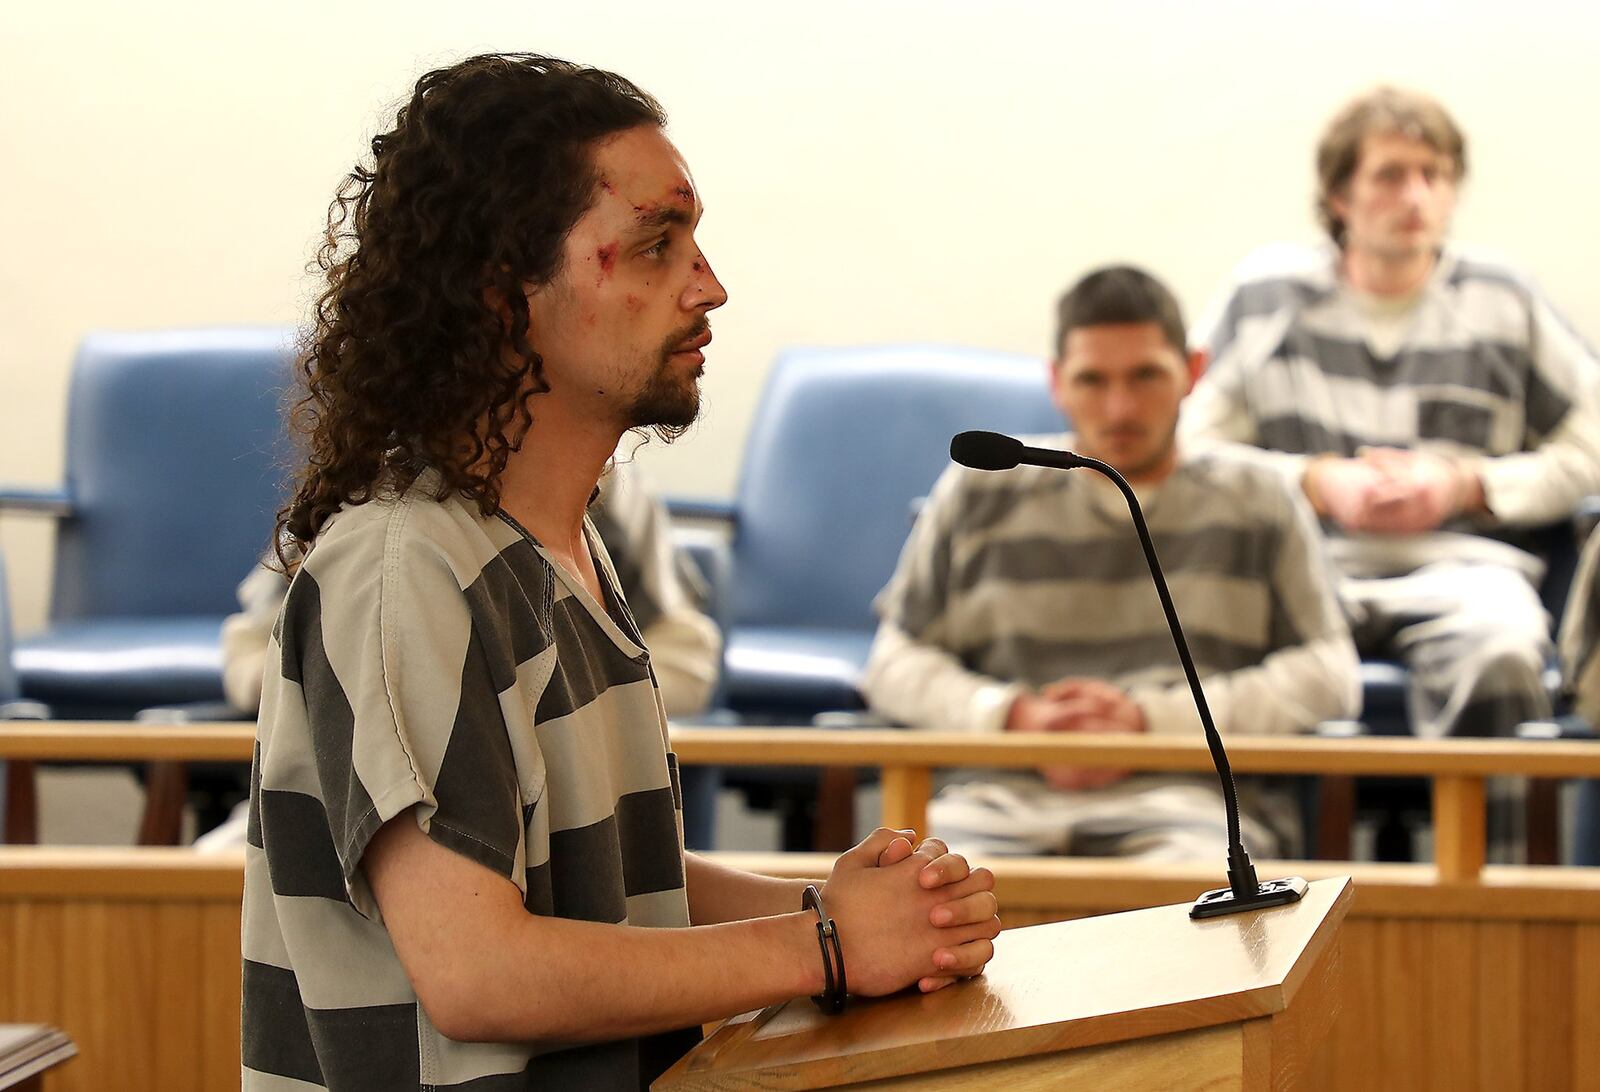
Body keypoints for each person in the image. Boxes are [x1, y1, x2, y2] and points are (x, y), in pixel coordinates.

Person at [242, 54, 999, 1092]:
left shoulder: (563, 544)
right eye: (655, 245)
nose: (709, 285)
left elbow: (606, 880)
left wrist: (836, 905)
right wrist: (826, 948)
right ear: (501, 294)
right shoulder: (406, 567)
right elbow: (477, 970)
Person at [860, 266, 1359, 860]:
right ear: (1056, 383)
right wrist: (1019, 718)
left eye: (1146, 376)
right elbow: (891, 662)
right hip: (996, 802)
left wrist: (1148, 725)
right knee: (932, 914)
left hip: (1194, 810)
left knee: (1196, 922)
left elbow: (1331, 674)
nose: (1120, 408)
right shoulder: (981, 489)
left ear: (1194, 372)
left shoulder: (1259, 496)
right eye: (1092, 380)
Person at [1181, 87, 1600, 755]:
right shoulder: (1263, 297)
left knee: (1504, 656)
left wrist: (1466, 486)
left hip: (1466, 576)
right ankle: (1264, 855)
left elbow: (1592, 439)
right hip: (1303, 569)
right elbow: (1188, 450)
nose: (1417, 197)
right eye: (1391, 174)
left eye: (1434, 176)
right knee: (1206, 652)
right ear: (1340, 197)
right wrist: (1315, 483)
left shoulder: (1503, 299)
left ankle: (1492, 860)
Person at [221, 461, 721, 719]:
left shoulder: (610, 496)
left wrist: (541, 715)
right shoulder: (343, 495)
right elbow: (252, 655)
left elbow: (686, 662)